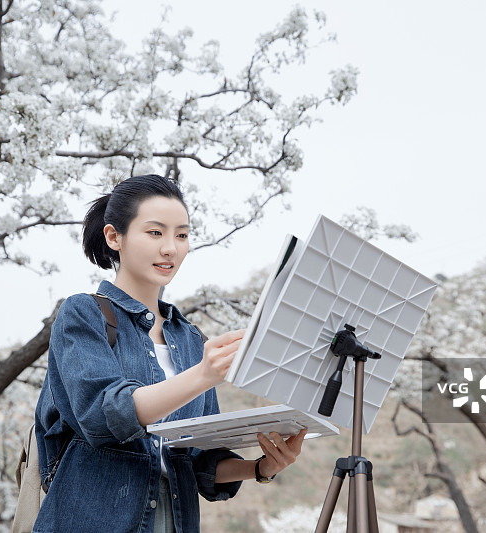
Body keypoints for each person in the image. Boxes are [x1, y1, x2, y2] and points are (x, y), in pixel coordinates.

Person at [33, 174, 306, 533]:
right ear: (114, 237)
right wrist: (203, 375)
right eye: (155, 232)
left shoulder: (191, 340)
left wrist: (260, 467)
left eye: (182, 234)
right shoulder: (83, 314)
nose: (171, 248)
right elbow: (103, 415)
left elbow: (199, 459)